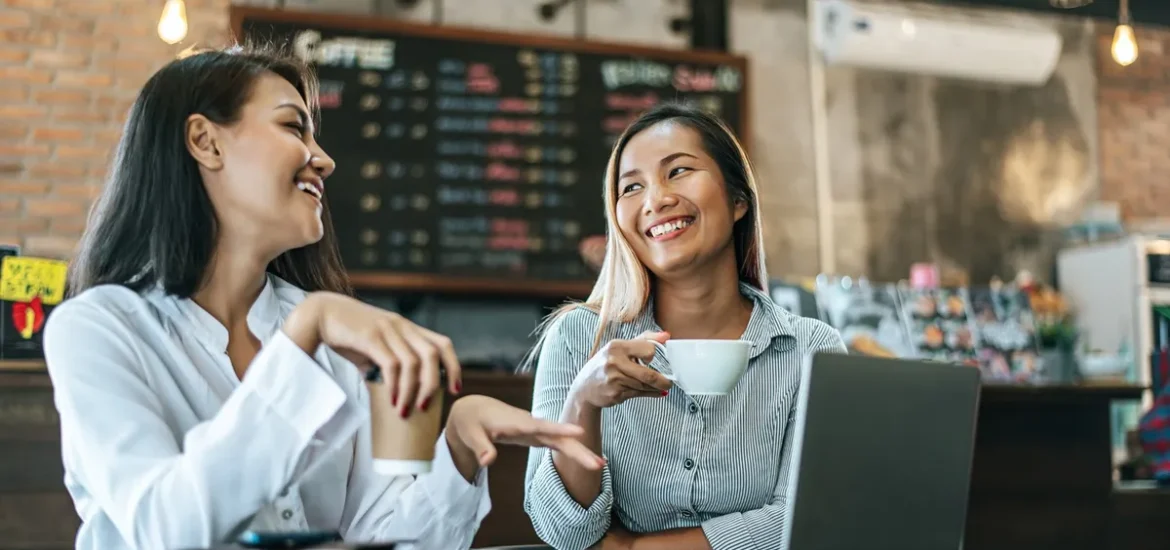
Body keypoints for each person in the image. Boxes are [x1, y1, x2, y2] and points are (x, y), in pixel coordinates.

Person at [42, 45, 603, 550]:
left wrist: (456, 446)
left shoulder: (328, 332)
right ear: (205, 142)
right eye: (294, 127)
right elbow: (163, 528)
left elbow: (384, 535)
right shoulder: (98, 329)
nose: (324, 159)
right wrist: (303, 335)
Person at [522, 103, 847, 550]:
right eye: (631, 187)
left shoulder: (810, 349)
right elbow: (562, 531)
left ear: (738, 200)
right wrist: (583, 403)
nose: (655, 200)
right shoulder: (578, 337)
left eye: (678, 172)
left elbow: (803, 519)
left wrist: (634, 548)